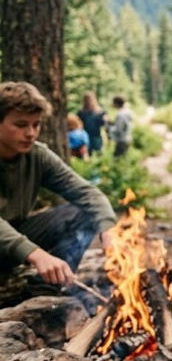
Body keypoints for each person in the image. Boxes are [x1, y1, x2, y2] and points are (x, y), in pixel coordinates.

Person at [0, 82, 116, 306]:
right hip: (7, 241)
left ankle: (44, 293)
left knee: (83, 213)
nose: (31, 133)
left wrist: (108, 230)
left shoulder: (37, 155)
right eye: (21, 125)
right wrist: (36, 254)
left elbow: (88, 194)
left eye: (36, 124)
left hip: (12, 241)